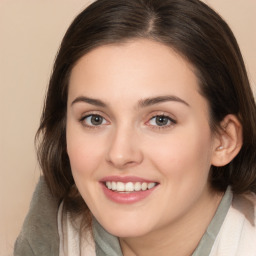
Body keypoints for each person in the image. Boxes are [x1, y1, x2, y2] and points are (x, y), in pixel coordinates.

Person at [14, 0, 256, 255]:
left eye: (160, 120)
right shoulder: (51, 230)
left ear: (223, 139)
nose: (119, 154)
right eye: (95, 119)